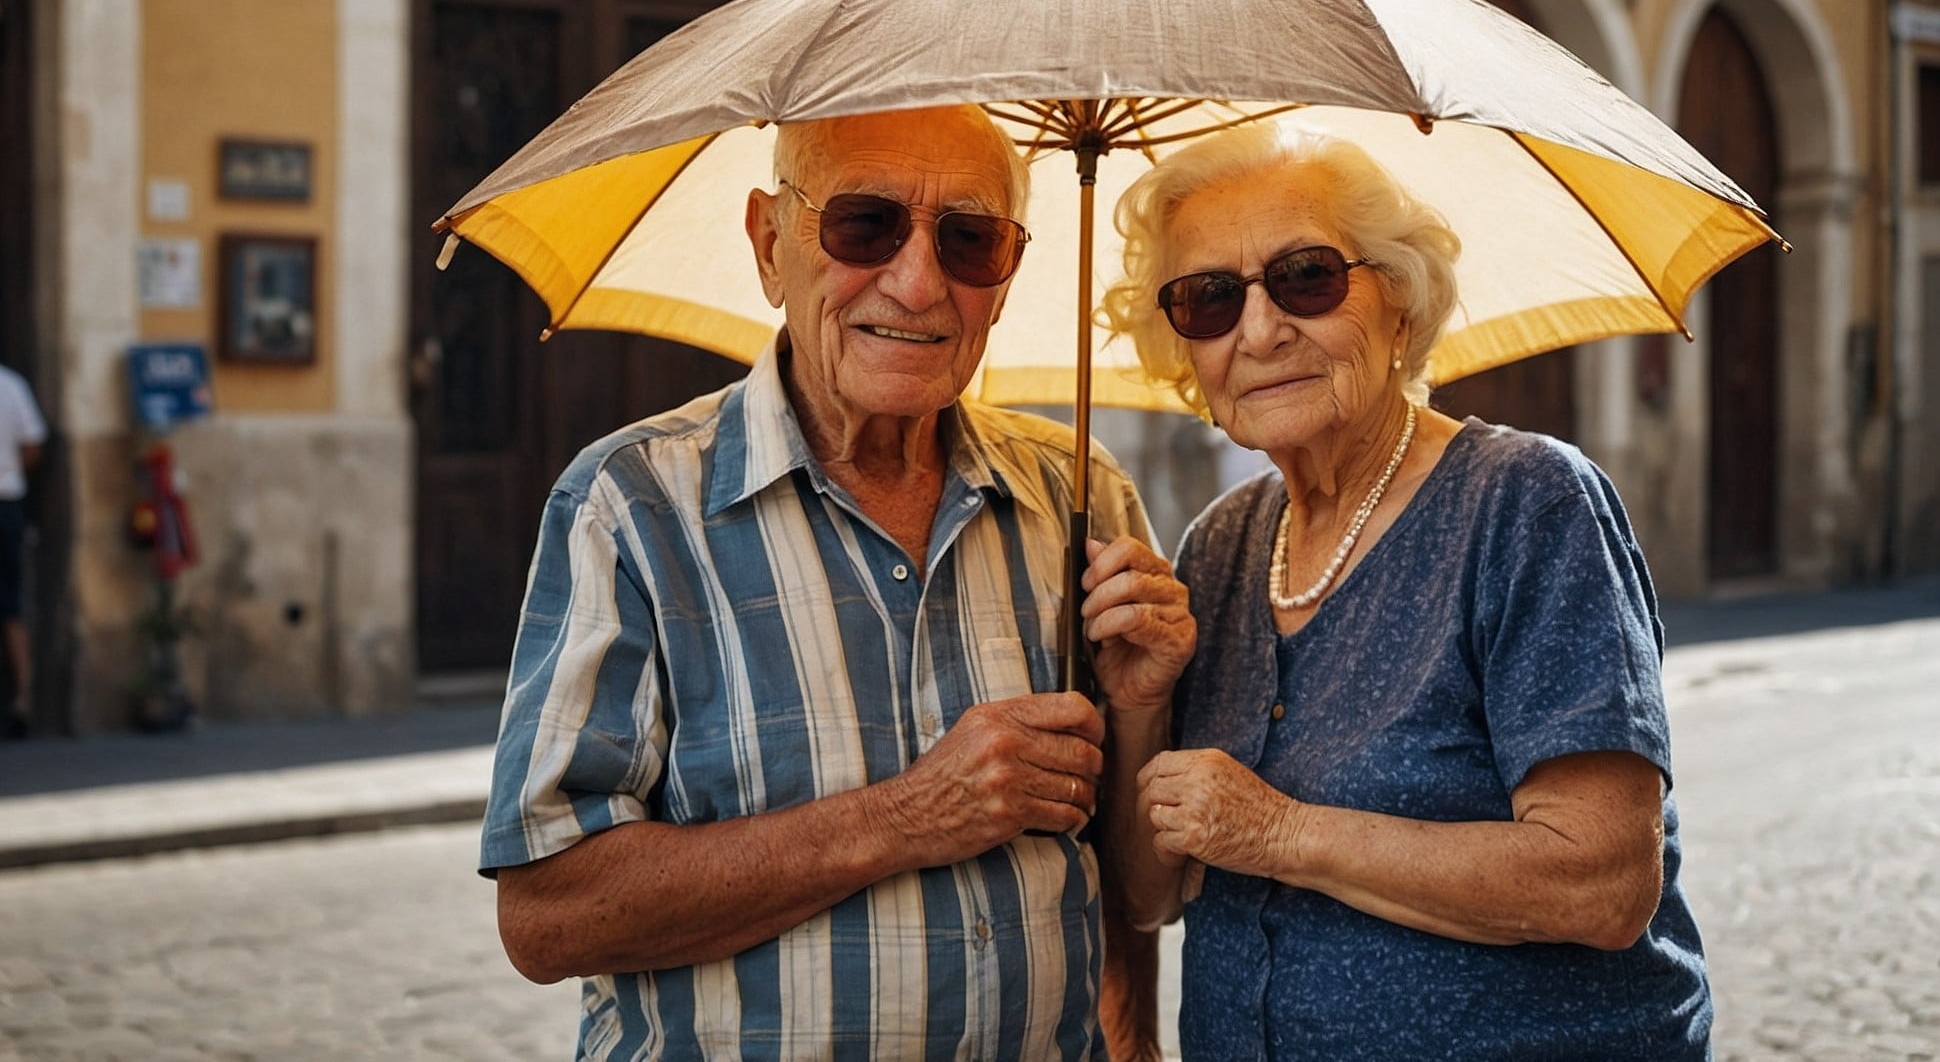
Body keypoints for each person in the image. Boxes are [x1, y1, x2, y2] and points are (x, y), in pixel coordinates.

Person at [481, 104, 1194, 1060]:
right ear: (771, 244)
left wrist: (1141, 710)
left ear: (1009, 271)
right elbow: (548, 917)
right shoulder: (633, 504)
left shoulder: (1080, 494)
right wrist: (911, 816)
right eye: (865, 225)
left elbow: (1137, 894)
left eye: (970, 239)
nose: (916, 281)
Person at [1092, 123, 1712, 1059]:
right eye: (1210, 298)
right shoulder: (1219, 546)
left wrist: (1279, 832)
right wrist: (1139, 709)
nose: (1260, 330)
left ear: (1400, 305)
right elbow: (1146, 896)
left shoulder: (1524, 502)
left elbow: (1599, 883)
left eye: (1307, 277)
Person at [0, 360, 46, 739]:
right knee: (10, 606)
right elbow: (32, 444)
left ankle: (21, 700)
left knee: (10, 604)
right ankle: (22, 699)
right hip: (6, 499)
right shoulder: (10, 385)